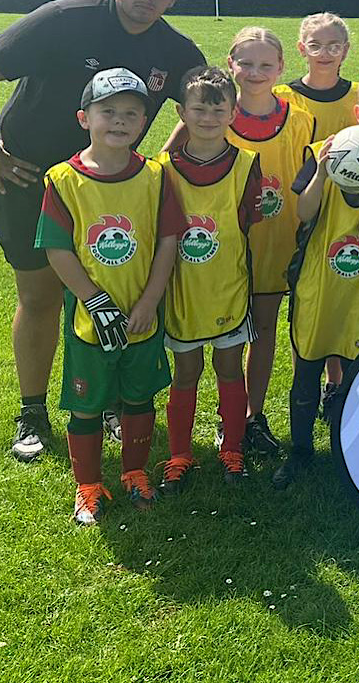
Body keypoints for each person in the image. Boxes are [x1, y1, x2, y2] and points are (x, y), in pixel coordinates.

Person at [0, 0, 205, 463]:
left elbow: (208, 104)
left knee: (115, 295)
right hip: (30, 178)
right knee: (41, 296)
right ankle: (32, 411)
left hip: (114, 192)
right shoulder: (63, 18)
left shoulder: (177, 52)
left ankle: (114, 402)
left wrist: (163, 156)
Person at [34, 68, 187, 524]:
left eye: (130, 114)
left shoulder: (156, 177)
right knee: (88, 404)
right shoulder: (63, 179)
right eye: (107, 112)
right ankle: (88, 484)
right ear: (84, 118)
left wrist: (147, 302)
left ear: (143, 124)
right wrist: (93, 299)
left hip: (141, 316)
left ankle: (134, 472)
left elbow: (167, 242)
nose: (118, 121)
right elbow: (57, 247)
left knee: (139, 398)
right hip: (91, 319)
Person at [274, 74, 359, 490]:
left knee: (356, 374)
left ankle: (351, 452)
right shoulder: (325, 150)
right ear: (358, 114)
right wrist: (324, 172)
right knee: (307, 369)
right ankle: (299, 452)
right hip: (317, 281)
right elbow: (306, 211)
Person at [157, 67, 265, 494]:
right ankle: (179, 454)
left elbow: (249, 224)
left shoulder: (247, 164)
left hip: (228, 288)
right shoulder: (161, 169)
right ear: (182, 112)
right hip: (182, 290)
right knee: (185, 371)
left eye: (217, 108)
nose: (207, 116)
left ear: (233, 113)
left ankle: (232, 447)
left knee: (228, 366)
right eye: (198, 108)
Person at [223, 27, 316, 460]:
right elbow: (174, 161)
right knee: (228, 337)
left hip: (278, 243)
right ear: (230, 65)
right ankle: (229, 421)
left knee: (263, 333)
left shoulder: (298, 119)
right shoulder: (214, 115)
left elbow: (306, 181)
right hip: (226, 246)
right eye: (246, 63)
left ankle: (251, 416)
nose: (255, 72)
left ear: (281, 68)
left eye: (265, 64)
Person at [275, 13, 355, 141]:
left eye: (334, 47)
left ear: (345, 50)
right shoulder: (281, 97)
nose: (324, 54)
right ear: (302, 49)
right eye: (314, 46)